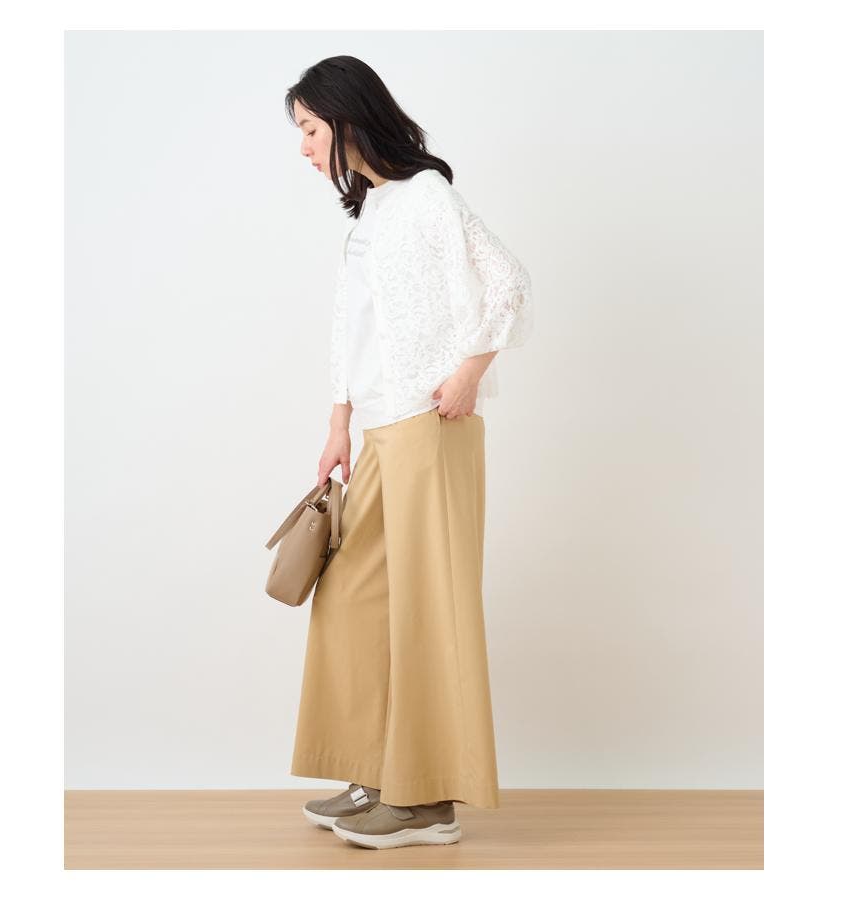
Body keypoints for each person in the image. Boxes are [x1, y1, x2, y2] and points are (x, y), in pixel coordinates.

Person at [283, 55, 533, 850]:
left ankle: (427, 801)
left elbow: (509, 282)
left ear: (347, 118)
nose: (304, 147)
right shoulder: (372, 214)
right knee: (354, 596)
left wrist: (468, 375)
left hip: (430, 427)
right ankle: (377, 771)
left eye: (310, 129)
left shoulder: (426, 196)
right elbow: (349, 330)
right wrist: (337, 425)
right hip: (382, 431)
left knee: (428, 607)